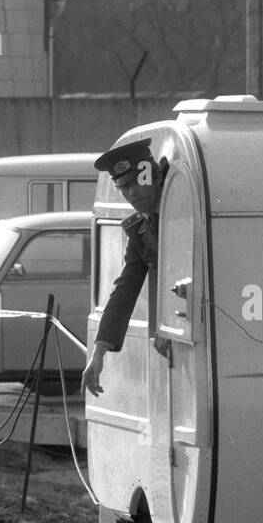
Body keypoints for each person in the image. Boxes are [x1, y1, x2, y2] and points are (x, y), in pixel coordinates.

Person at [82, 137, 168, 396]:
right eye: (123, 187)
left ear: (152, 175)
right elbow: (125, 290)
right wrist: (98, 354)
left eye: (135, 183)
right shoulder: (141, 230)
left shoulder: (183, 213)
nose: (131, 193)